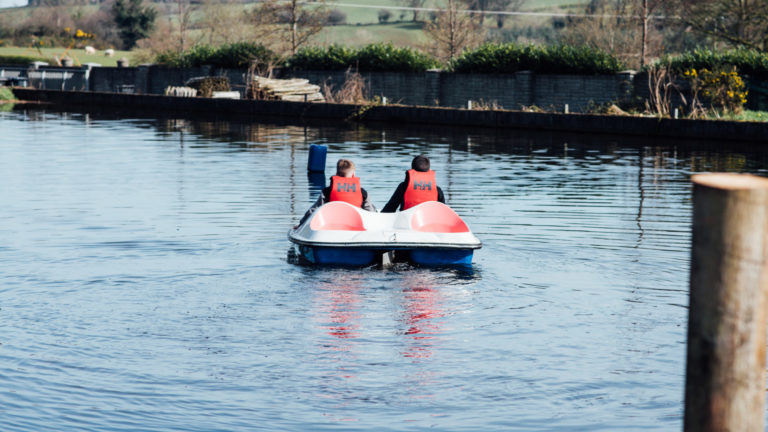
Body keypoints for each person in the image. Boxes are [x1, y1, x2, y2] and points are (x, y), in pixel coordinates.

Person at [298, 159, 376, 226]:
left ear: (336, 174)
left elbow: (314, 210)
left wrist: (301, 224)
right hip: (355, 224)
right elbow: (370, 212)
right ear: (353, 174)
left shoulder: (327, 192)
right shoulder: (363, 193)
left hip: (332, 224)